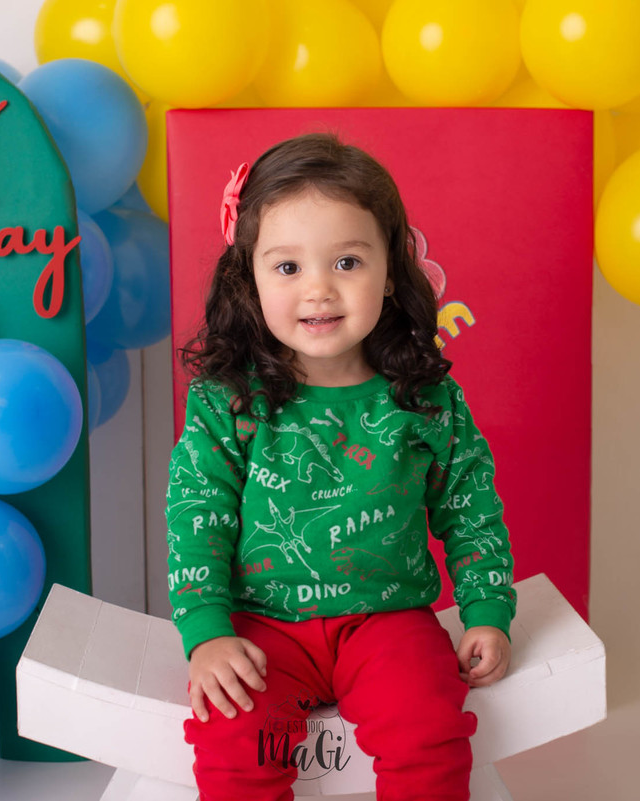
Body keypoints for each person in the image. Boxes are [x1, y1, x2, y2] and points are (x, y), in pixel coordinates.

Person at [165, 132, 516, 801]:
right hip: (262, 625)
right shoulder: (227, 401)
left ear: (391, 272)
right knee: (236, 740)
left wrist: (487, 610)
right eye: (288, 267)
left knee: (428, 729)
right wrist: (206, 632)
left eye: (347, 262)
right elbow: (196, 516)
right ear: (248, 278)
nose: (319, 289)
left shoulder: (425, 400)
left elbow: (471, 506)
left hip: (388, 622)